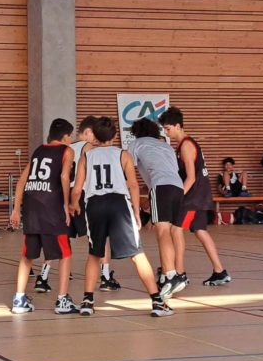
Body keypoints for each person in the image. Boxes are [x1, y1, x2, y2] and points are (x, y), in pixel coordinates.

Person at [70, 117, 172, 317]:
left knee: (94, 254)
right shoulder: (123, 154)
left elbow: (77, 188)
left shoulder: (86, 156)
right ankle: (157, 302)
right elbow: (133, 185)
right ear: (115, 135)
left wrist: (74, 204)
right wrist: (136, 211)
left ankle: (87, 302)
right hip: (119, 204)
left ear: (94, 136)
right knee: (137, 253)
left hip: (94, 204)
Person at [33, 116, 120, 293]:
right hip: (80, 196)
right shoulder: (88, 147)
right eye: (95, 133)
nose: (97, 137)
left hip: (60, 197)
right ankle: (105, 277)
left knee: (60, 237)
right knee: (99, 236)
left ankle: (43, 277)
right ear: (88, 132)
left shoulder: (64, 148)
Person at [10, 118, 78, 314]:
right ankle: (62, 300)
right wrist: (66, 204)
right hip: (51, 207)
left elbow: (21, 182)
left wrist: (16, 209)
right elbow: (64, 176)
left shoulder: (38, 150)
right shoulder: (67, 151)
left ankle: (19, 299)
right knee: (65, 253)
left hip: (31, 207)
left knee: (27, 254)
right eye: (70, 136)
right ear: (66, 136)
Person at [158, 107, 230, 286]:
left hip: (193, 197)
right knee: (200, 231)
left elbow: (190, 177)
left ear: (178, 126)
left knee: (175, 230)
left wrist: (177, 196)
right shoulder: (184, 144)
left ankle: (180, 273)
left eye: (167, 128)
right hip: (199, 195)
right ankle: (220, 271)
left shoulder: (186, 146)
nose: (166, 132)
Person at [128, 117, 187, 299]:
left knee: (162, 231)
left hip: (160, 187)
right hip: (178, 188)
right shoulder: (165, 146)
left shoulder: (136, 144)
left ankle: (171, 275)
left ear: (136, 132)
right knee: (172, 231)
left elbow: (127, 169)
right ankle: (172, 274)